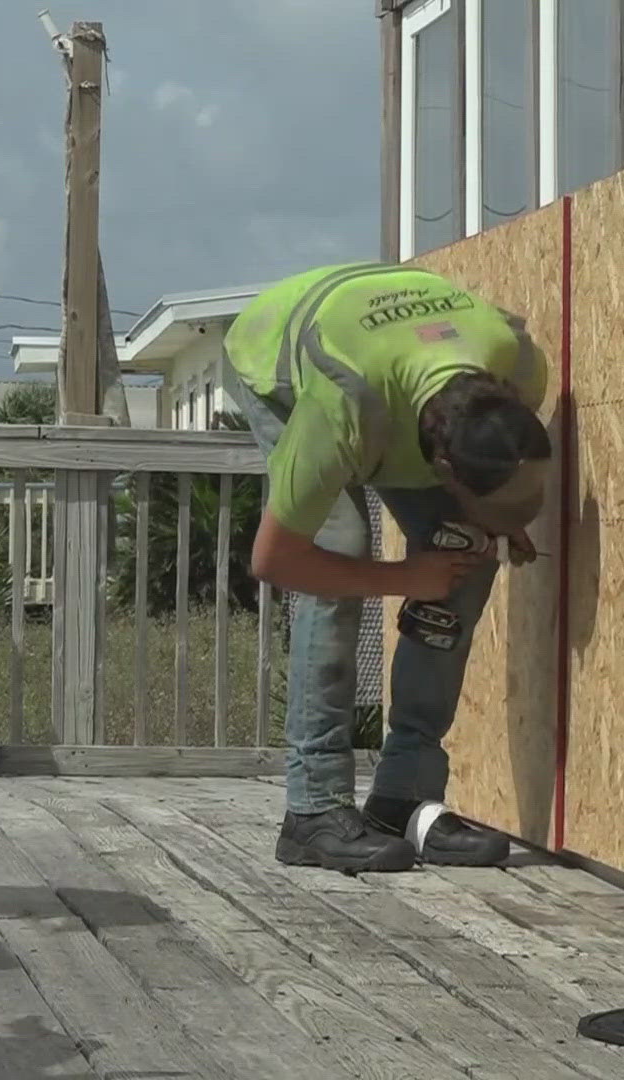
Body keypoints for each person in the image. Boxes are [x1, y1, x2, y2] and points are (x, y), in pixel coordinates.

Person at [221, 261, 552, 873]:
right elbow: (274, 560)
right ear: (446, 473)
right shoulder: (344, 404)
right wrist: (404, 578)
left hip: (394, 349)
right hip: (282, 353)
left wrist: (501, 519)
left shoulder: (518, 363)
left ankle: (405, 798)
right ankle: (312, 810)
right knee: (339, 548)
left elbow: (500, 479)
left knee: (466, 550)